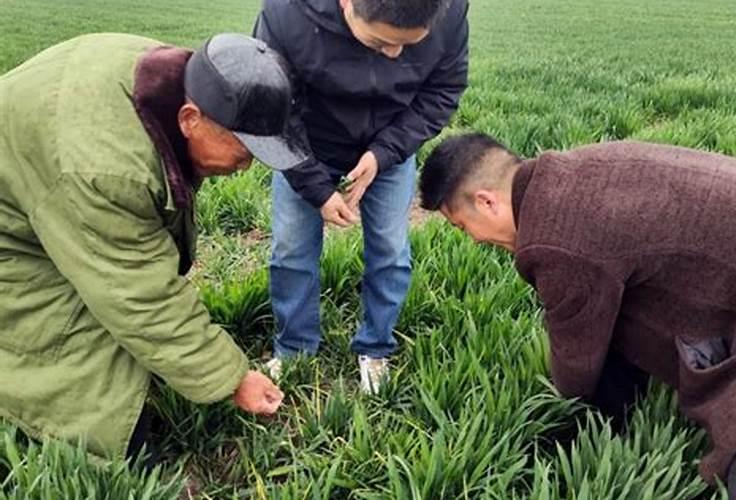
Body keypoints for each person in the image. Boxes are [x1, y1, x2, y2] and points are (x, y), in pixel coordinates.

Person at [0, 32, 308, 461]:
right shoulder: (108, 170)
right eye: (243, 149)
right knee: (71, 338)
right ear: (189, 119)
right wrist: (233, 377)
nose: (247, 165)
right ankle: (93, 449)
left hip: (42, 178)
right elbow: (139, 294)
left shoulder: (178, 78)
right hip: (14, 233)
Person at [419, 133, 736, 497]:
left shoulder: (554, 239)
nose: (474, 240)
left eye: (463, 226)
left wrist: (565, 412)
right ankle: (618, 420)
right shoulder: (564, 176)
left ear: (486, 202)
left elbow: (576, 360)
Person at [253, 0, 469, 393]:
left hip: (390, 144)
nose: (395, 55)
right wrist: (316, 187)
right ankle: (294, 348)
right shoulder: (286, 13)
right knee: (291, 250)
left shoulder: (448, 11)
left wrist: (384, 153)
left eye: (408, 46)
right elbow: (272, 109)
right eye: (382, 42)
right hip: (305, 144)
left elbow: (443, 90)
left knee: (390, 249)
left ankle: (375, 347)